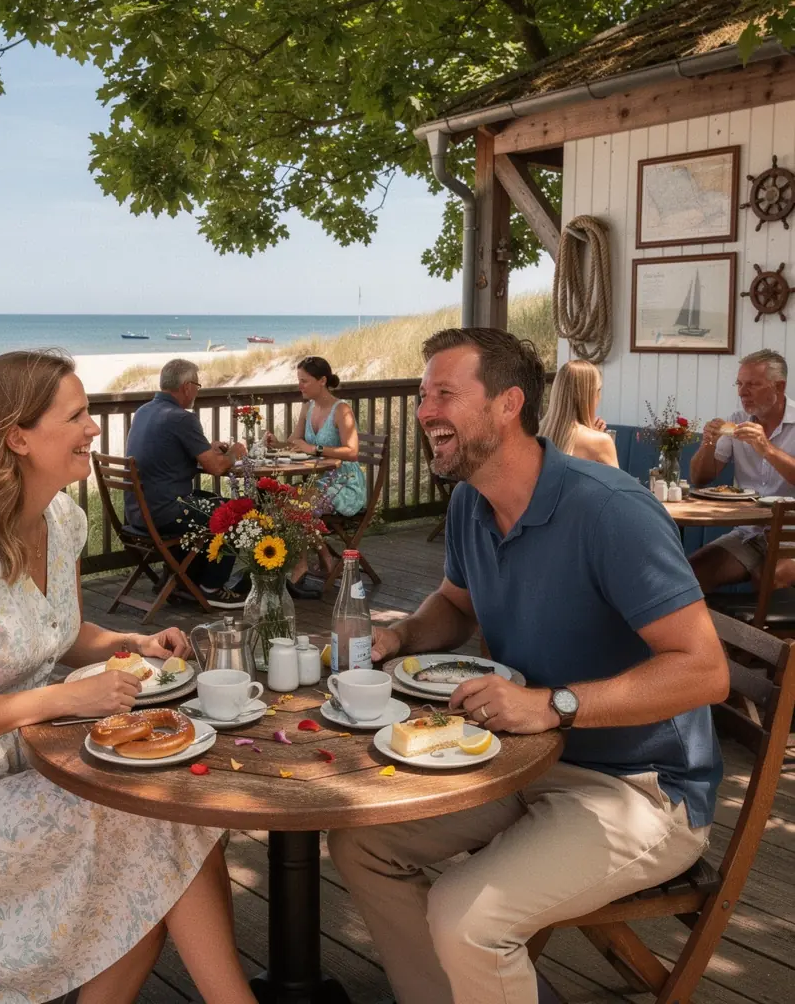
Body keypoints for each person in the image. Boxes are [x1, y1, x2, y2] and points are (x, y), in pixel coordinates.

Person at [327, 328, 729, 1004]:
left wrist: (552, 705)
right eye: (424, 395)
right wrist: (402, 638)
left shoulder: (609, 512)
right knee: (360, 843)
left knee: (465, 918)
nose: (425, 411)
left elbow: (704, 670)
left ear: (509, 404)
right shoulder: (469, 503)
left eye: (445, 395)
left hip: (640, 790)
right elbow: (455, 604)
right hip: (518, 759)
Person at [0, 351, 257, 1004]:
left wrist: (133, 641)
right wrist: (63, 698)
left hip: (30, 758)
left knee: (160, 820)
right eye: (76, 416)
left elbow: (59, 632)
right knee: (158, 819)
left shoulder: (60, 521)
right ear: (18, 437)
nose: (94, 429)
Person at [126, 358, 249, 607]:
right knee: (234, 512)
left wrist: (207, 448)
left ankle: (183, 580)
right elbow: (215, 467)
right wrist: (235, 453)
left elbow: (171, 452)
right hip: (166, 512)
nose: (197, 391)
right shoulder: (182, 418)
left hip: (138, 513)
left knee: (212, 502)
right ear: (186, 387)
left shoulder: (144, 411)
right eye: (197, 385)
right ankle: (211, 586)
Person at [689, 348, 795, 592]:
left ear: (779, 387)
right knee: (689, 577)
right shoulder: (737, 419)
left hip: (791, 533)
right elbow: (700, 478)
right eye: (739, 383)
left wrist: (767, 449)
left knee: (768, 577)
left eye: (753, 384)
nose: (742, 392)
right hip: (750, 533)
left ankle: (765, 632)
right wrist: (709, 443)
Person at [268, 356, 367, 597]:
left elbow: (352, 452)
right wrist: (277, 443)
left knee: (298, 506)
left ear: (322, 381)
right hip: (319, 482)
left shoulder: (341, 410)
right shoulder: (307, 407)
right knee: (284, 503)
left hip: (344, 484)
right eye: (298, 381)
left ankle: (302, 565)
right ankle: (325, 557)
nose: (300, 386)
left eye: (305, 381)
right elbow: (295, 443)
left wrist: (316, 450)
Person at [538, 359, 618, 466]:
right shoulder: (601, 442)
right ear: (589, 395)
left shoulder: (536, 432)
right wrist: (594, 435)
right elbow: (617, 482)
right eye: (598, 391)